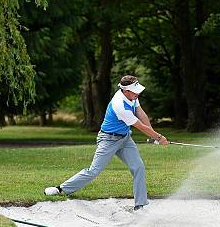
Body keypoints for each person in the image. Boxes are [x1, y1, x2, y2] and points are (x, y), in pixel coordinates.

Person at [44, 75, 168, 210]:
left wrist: (154, 134)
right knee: (94, 171)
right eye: (135, 91)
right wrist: (159, 137)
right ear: (125, 91)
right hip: (108, 140)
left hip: (125, 139)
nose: (138, 93)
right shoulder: (119, 104)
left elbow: (141, 114)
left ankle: (140, 205)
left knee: (138, 167)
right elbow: (140, 126)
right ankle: (61, 189)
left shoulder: (133, 97)